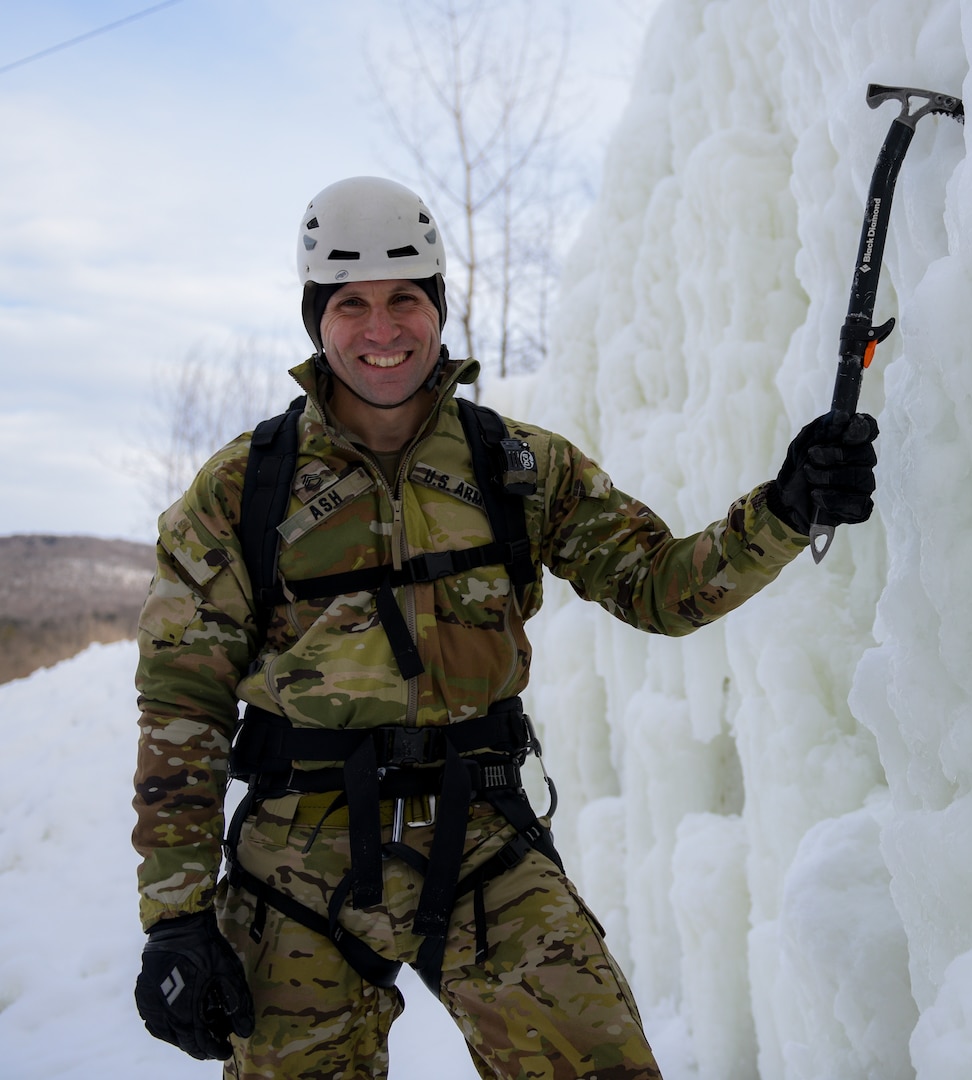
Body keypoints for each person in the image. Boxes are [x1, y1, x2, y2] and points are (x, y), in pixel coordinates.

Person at [131, 176, 878, 1078]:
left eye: (405, 297)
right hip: (296, 860)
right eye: (351, 304)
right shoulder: (238, 490)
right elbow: (182, 706)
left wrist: (787, 510)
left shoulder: (515, 465)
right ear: (314, 319)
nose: (381, 330)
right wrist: (174, 919)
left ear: (438, 305)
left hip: (479, 835)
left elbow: (656, 587)